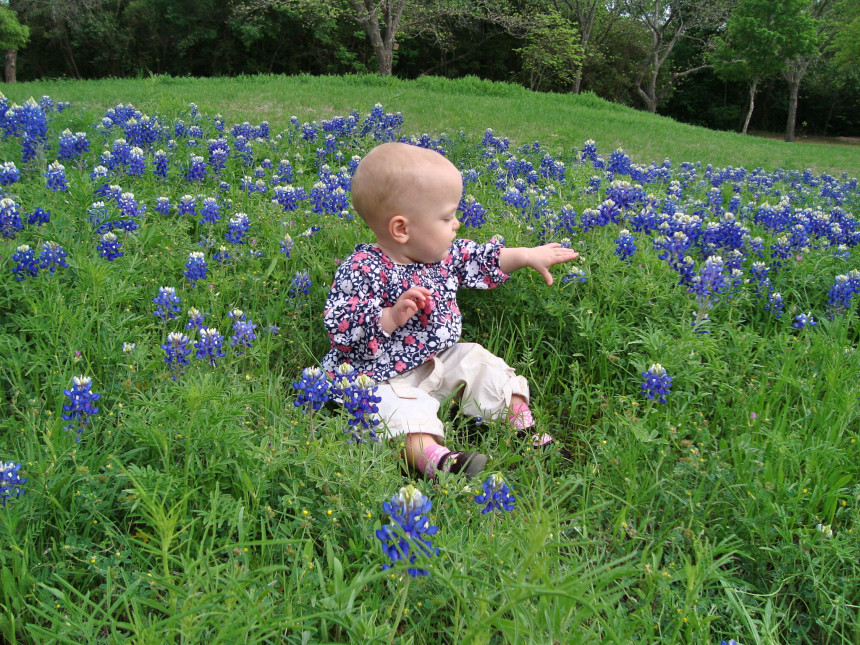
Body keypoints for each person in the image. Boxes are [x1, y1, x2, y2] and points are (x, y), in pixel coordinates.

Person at [320, 142, 578, 479]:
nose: (456, 224)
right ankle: (438, 460)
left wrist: (526, 255)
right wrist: (389, 318)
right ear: (402, 229)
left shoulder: (444, 256)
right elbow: (340, 324)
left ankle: (522, 428)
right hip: (380, 374)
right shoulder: (363, 267)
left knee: (481, 362)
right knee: (392, 411)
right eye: (446, 217)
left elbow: (483, 258)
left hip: (439, 358)